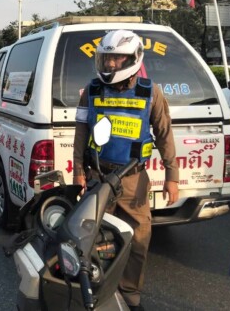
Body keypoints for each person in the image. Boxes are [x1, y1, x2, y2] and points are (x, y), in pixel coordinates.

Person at [72, 29, 179, 311]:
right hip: (98, 177)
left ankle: (130, 294)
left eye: (117, 58)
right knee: (94, 239)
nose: (110, 64)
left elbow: (165, 135)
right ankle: (98, 290)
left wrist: (172, 176)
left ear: (132, 59)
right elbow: (81, 133)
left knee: (139, 240)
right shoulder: (91, 91)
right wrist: (78, 172)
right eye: (106, 58)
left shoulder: (150, 92)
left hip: (133, 179)